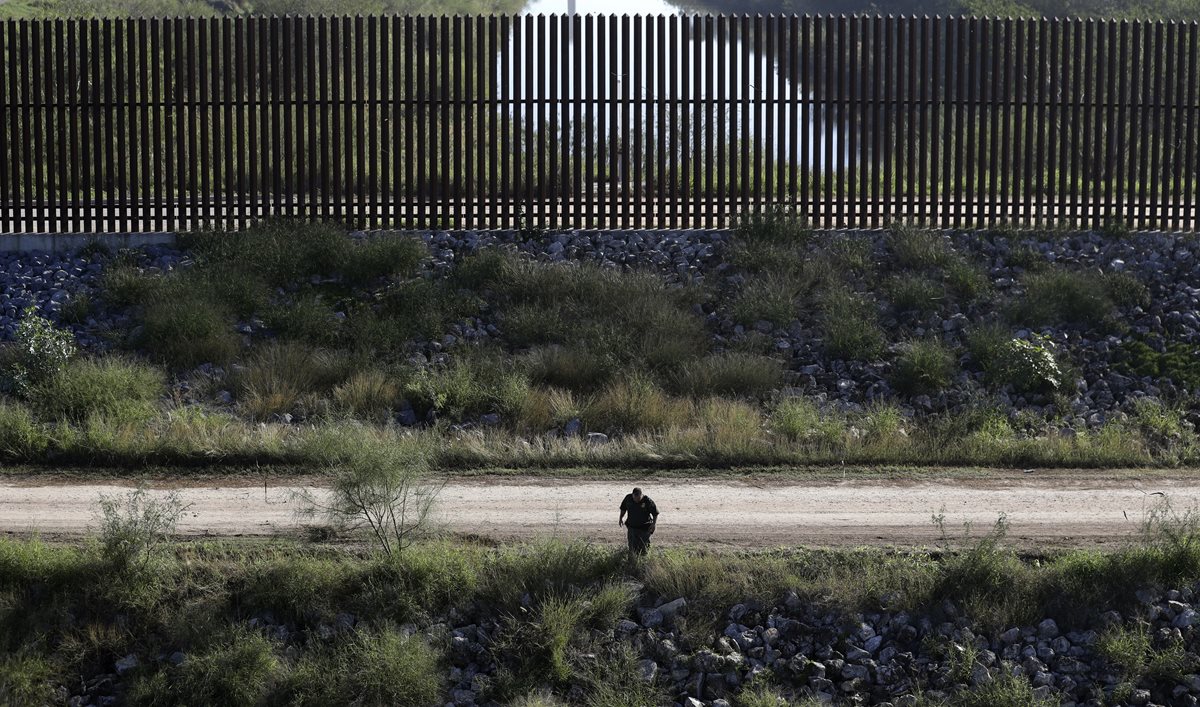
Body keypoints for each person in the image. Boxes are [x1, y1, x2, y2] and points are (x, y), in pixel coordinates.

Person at [618, 487, 659, 555]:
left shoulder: (647, 501)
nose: (636, 500)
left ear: (641, 495)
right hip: (632, 527)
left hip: (644, 528)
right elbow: (623, 508)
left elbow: (655, 513)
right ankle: (632, 563)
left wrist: (654, 524)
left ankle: (643, 563)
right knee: (632, 548)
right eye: (634, 498)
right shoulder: (628, 498)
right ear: (632, 495)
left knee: (644, 548)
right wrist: (620, 518)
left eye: (638, 499)